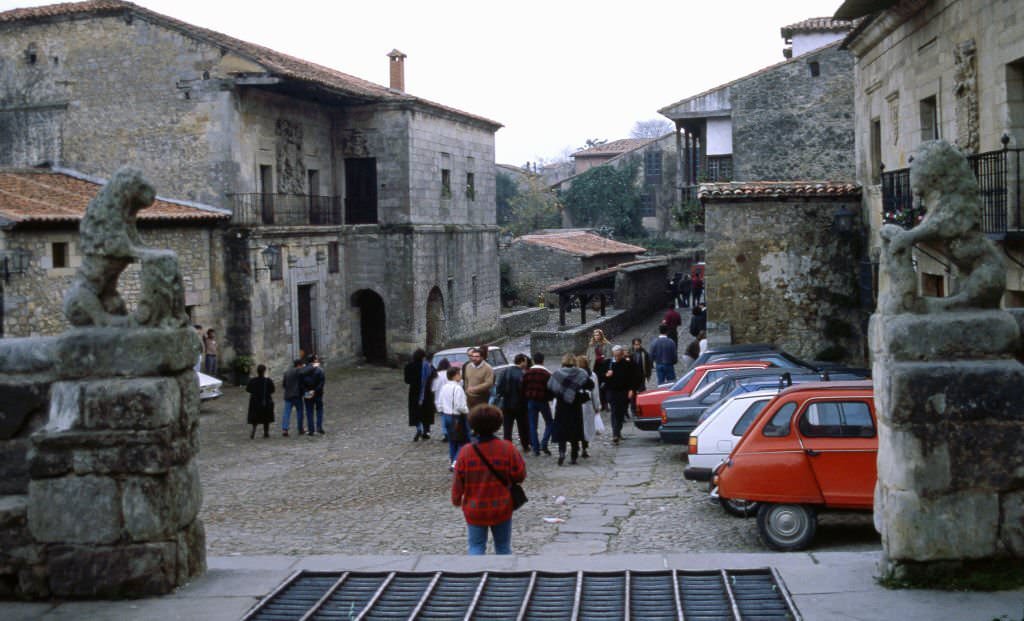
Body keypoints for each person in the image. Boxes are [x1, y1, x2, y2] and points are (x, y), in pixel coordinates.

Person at [451, 404, 526, 555]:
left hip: (475, 507)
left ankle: (475, 576)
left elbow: (458, 481)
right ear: (498, 424)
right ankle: (504, 577)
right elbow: (520, 475)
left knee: (476, 546)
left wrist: (457, 499)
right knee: (503, 547)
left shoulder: (466, 452)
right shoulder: (507, 448)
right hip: (501, 506)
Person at [547, 354, 593, 465]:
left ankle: (562, 452)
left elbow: (550, 388)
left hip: (561, 406)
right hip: (575, 405)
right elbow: (591, 385)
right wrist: (578, 388)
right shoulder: (580, 373)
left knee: (562, 430)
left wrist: (560, 392)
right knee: (575, 431)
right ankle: (573, 457)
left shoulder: (557, 374)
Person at [495, 354, 530, 452]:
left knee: (507, 427)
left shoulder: (504, 372)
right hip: (520, 404)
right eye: (526, 361)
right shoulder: (522, 374)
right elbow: (524, 390)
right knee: (523, 427)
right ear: (522, 361)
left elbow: (499, 388)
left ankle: (507, 445)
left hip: (506, 404)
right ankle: (525, 444)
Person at [604, 345, 638, 444]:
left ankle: (618, 431)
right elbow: (601, 376)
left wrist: (632, 389)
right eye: (615, 355)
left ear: (622, 354)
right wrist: (606, 375)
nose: (617, 357)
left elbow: (633, 378)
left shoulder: (627, 364)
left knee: (621, 412)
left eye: (619, 355)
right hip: (612, 391)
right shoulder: (608, 363)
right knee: (614, 412)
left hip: (624, 392)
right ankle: (615, 433)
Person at [438, 366, 470, 470]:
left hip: (446, 415)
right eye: (459, 374)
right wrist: (467, 411)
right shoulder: (457, 388)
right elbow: (459, 406)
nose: (461, 376)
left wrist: (443, 411)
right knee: (462, 440)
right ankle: (455, 462)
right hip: (456, 417)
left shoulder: (444, 387)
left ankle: (453, 460)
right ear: (455, 375)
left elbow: (439, 403)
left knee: (452, 441)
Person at [522, 352, 554, 456]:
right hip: (543, 401)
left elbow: (523, 387)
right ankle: (544, 443)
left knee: (532, 425)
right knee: (550, 423)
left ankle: (536, 448)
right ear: (543, 361)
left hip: (531, 401)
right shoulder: (547, 374)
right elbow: (551, 389)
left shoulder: (527, 373)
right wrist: (550, 398)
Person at [404, 349, 434, 441]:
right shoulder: (427, 366)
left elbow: (407, 380)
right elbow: (432, 376)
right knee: (426, 411)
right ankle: (426, 431)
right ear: (423, 356)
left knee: (416, 411)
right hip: (426, 391)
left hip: (414, 392)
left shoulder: (408, 366)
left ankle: (418, 428)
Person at [576, 355, 601, 458]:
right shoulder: (592, 375)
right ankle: (584, 448)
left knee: (577, 426)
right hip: (587, 403)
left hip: (576, 404)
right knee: (586, 426)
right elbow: (595, 392)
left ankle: (576, 445)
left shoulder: (574, 374)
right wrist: (597, 406)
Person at [246, 364, 275, 439]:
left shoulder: (252, 381)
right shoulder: (267, 381)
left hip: (255, 401)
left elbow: (248, 389)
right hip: (265, 401)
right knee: (266, 418)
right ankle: (266, 432)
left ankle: (253, 430)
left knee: (255, 418)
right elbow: (272, 390)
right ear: (264, 371)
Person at [586, 329, 612, 411]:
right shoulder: (591, 345)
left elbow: (609, 357)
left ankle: (606, 403)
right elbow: (588, 357)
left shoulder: (607, 344)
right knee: (597, 386)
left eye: (598, 335)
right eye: (595, 335)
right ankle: (601, 403)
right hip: (594, 368)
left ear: (601, 335)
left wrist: (601, 358)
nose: (596, 337)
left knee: (605, 386)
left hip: (604, 367)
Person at [302, 355, 326, 435]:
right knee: (319, 409)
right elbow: (321, 382)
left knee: (309, 411)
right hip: (318, 393)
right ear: (314, 360)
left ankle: (311, 429)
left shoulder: (303, 371)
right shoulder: (319, 370)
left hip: (307, 393)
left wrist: (307, 391)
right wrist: (315, 391)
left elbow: (301, 384)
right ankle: (319, 427)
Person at [281, 358, 305, 437]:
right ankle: (300, 428)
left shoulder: (286, 372)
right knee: (299, 412)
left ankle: (285, 429)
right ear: (299, 365)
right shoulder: (299, 370)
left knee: (286, 413)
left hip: (288, 395)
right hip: (297, 395)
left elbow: (284, 384)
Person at [432, 358, 451, 441]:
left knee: (443, 416)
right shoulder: (450, 374)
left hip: (439, 399)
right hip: (449, 398)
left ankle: (445, 432)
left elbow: (433, 388)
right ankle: (449, 431)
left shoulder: (436, 375)